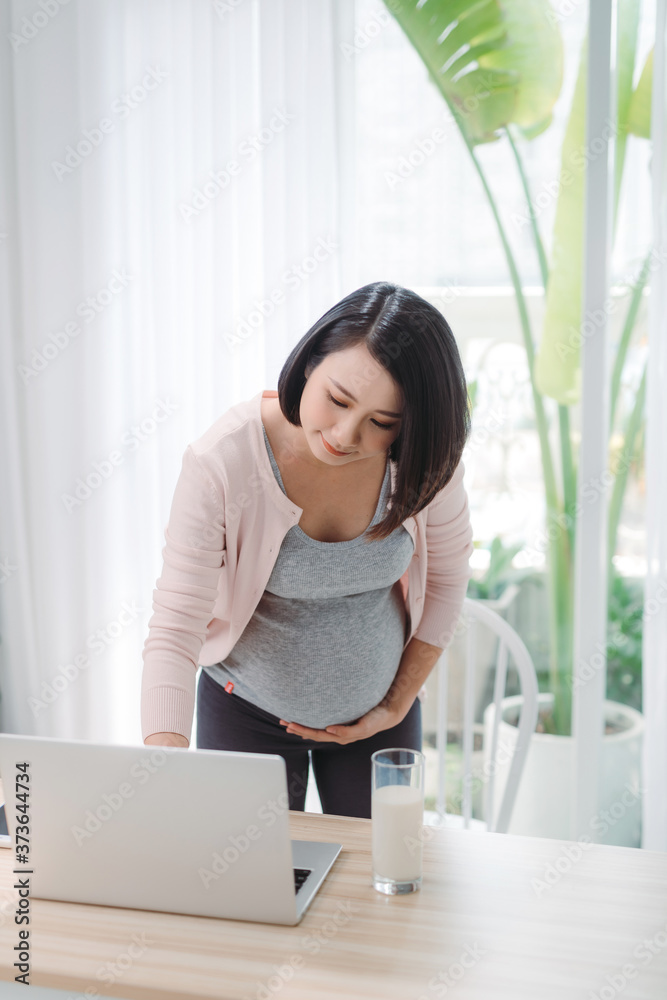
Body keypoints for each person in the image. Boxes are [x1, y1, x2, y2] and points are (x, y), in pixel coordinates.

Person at [141, 280, 473, 818]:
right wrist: (166, 768)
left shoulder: (424, 462)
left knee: (384, 882)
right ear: (308, 362)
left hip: (378, 721)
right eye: (337, 400)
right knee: (248, 886)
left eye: (381, 423)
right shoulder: (223, 462)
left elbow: (448, 582)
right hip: (245, 714)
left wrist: (395, 705)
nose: (344, 434)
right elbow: (176, 626)